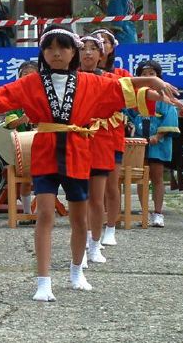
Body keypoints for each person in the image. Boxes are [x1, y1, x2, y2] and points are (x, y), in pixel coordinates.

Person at [0, 25, 183, 302]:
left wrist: (153, 85)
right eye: (49, 48)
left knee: (79, 217)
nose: (56, 53)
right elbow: (2, 94)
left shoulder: (90, 82)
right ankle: (43, 281)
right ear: (42, 52)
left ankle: (77, 271)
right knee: (45, 215)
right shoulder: (32, 83)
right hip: (45, 150)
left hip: (77, 150)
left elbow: (121, 88)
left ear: (72, 51)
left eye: (62, 47)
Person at [78, 35, 118, 263]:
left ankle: (95, 245)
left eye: (94, 49)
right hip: (77, 138)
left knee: (96, 198)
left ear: (102, 54)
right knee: (79, 198)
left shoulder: (110, 79)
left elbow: (129, 95)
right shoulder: (70, 79)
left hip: (101, 139)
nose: (88, 53)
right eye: (83, 48)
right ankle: (80, 246)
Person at [129, 60, 180, 228]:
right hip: (139, 142)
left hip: (158, 143)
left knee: (157, 177)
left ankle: (158, 213)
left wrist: (159, 134)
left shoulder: (164, 97)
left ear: (158, 77)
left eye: (152, 74)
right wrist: (129, 124)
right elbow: (127, 113)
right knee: (140, 178)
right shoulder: (134, 95)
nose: (148, 77)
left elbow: (170, 115)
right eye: (144, 75)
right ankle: (144, 212)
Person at [94, 28, 130, 246]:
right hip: (87, 133)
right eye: (94, 42)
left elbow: (132, 97)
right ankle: (91, 228)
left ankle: (111, 227)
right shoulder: (82, 72)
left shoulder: (122, 74)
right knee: (89, 186)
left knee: (111, 184)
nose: (100, 45)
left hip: (112, 131)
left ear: (112, 47)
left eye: (104, 42)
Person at [4, 61, 39, 223]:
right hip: (23, 147)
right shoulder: (15, 97)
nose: (28, 78)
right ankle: (26, 213)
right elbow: (9, 123)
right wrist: (23, 119)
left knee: (43, 180)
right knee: (26, 178)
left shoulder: (43, 96)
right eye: (25, 75)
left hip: (41, 143)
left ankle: (40, 212)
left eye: (32, 74)